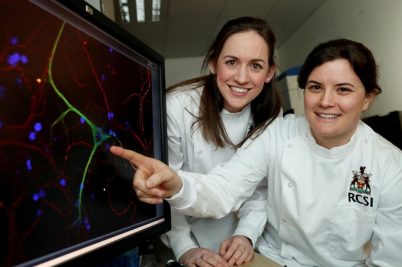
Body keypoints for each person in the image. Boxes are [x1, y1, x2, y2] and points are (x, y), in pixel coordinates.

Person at [110, 38, 402, 267]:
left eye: (343, 90)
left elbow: (389, 259)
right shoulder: (279, 132)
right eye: (315, 87)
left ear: (368, 98)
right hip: (271, 259)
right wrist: (176, 185)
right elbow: (227, 186)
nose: (326, 101)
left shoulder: (390, 165)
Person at [159, 17, 281, 267]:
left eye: (256, 66)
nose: (242, 77)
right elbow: (166, 186)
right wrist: (184, 248)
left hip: (240, 243)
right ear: (214, 63)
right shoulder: (176, 105)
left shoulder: (270, 116)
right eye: (231, 62)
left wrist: (246, 234)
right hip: (180, 232)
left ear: (269, 73)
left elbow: (260, 188)